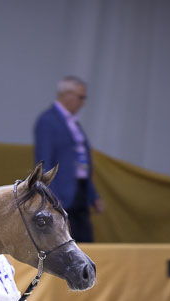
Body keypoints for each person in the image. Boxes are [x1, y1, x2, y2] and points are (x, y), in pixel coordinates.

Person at [34, 76, 102, 242]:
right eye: (81, 97)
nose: (83, 103)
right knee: (66, 243)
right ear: (67, 95)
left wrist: (92, 194)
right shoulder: (48, 121)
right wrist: (52, 197)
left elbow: (81, 163)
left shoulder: (73, 123)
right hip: (61, 195)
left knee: (85, 241)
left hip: (79, 191)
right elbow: (44, 162)